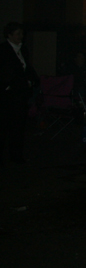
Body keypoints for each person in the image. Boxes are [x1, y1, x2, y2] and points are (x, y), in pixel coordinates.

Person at [0, 22, 39, 166]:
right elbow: (7, 72)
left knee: (18, 127)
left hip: (20, 95)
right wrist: (9, 85)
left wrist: (33, 81)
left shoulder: (23, 49)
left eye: (21, 34)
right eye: (17, 34)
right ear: (9, 35)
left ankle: (16, 156)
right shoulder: (3, 50)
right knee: (3, 127)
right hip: (7, 95)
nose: (20, 37)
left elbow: (27, 67)